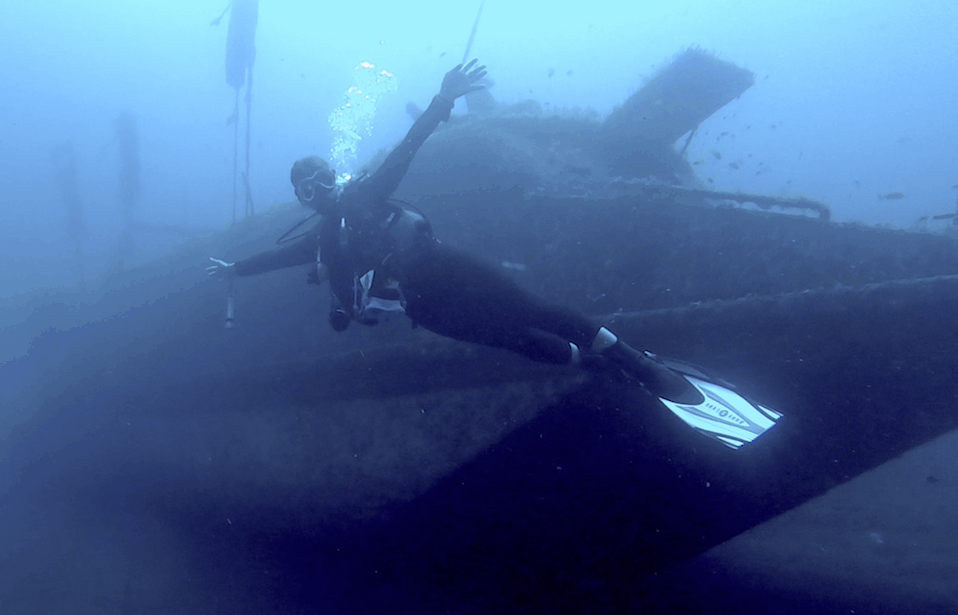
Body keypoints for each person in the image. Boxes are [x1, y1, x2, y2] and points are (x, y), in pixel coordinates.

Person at [208, 60, 780, 449]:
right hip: (424, 305)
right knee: (514, 340)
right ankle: (600, 367)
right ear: (301, 197)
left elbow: (404, 153)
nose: (320, 190)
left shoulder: (363, 196)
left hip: (442, 266)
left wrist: (439, 102)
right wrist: (236, 268)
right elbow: (278, 261)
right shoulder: (321, 237)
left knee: (536, 309)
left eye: (322, 177)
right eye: (307, 189)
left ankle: (638, 363)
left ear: (334, 174)